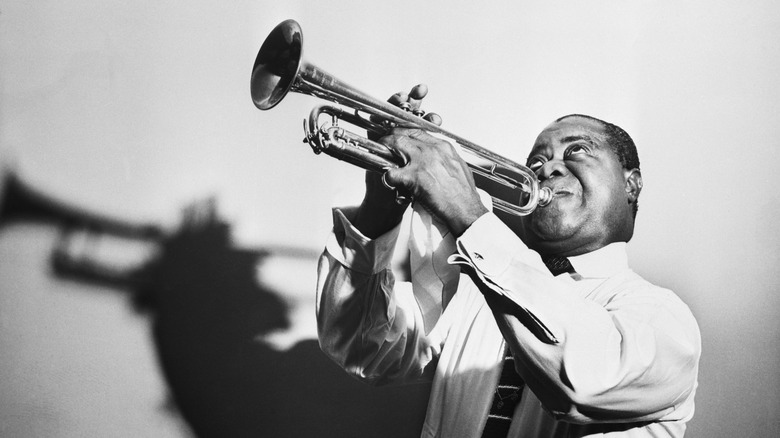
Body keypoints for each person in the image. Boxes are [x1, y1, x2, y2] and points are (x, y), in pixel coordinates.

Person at [315, 85, 701, 437]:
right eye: (536, 160)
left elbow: (582, 382)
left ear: (631, 185)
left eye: (577, 151)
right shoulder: (475, 293)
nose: (546, 168)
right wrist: (380, 208)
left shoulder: (662, 317)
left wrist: (469, 216)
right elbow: (364, 348)